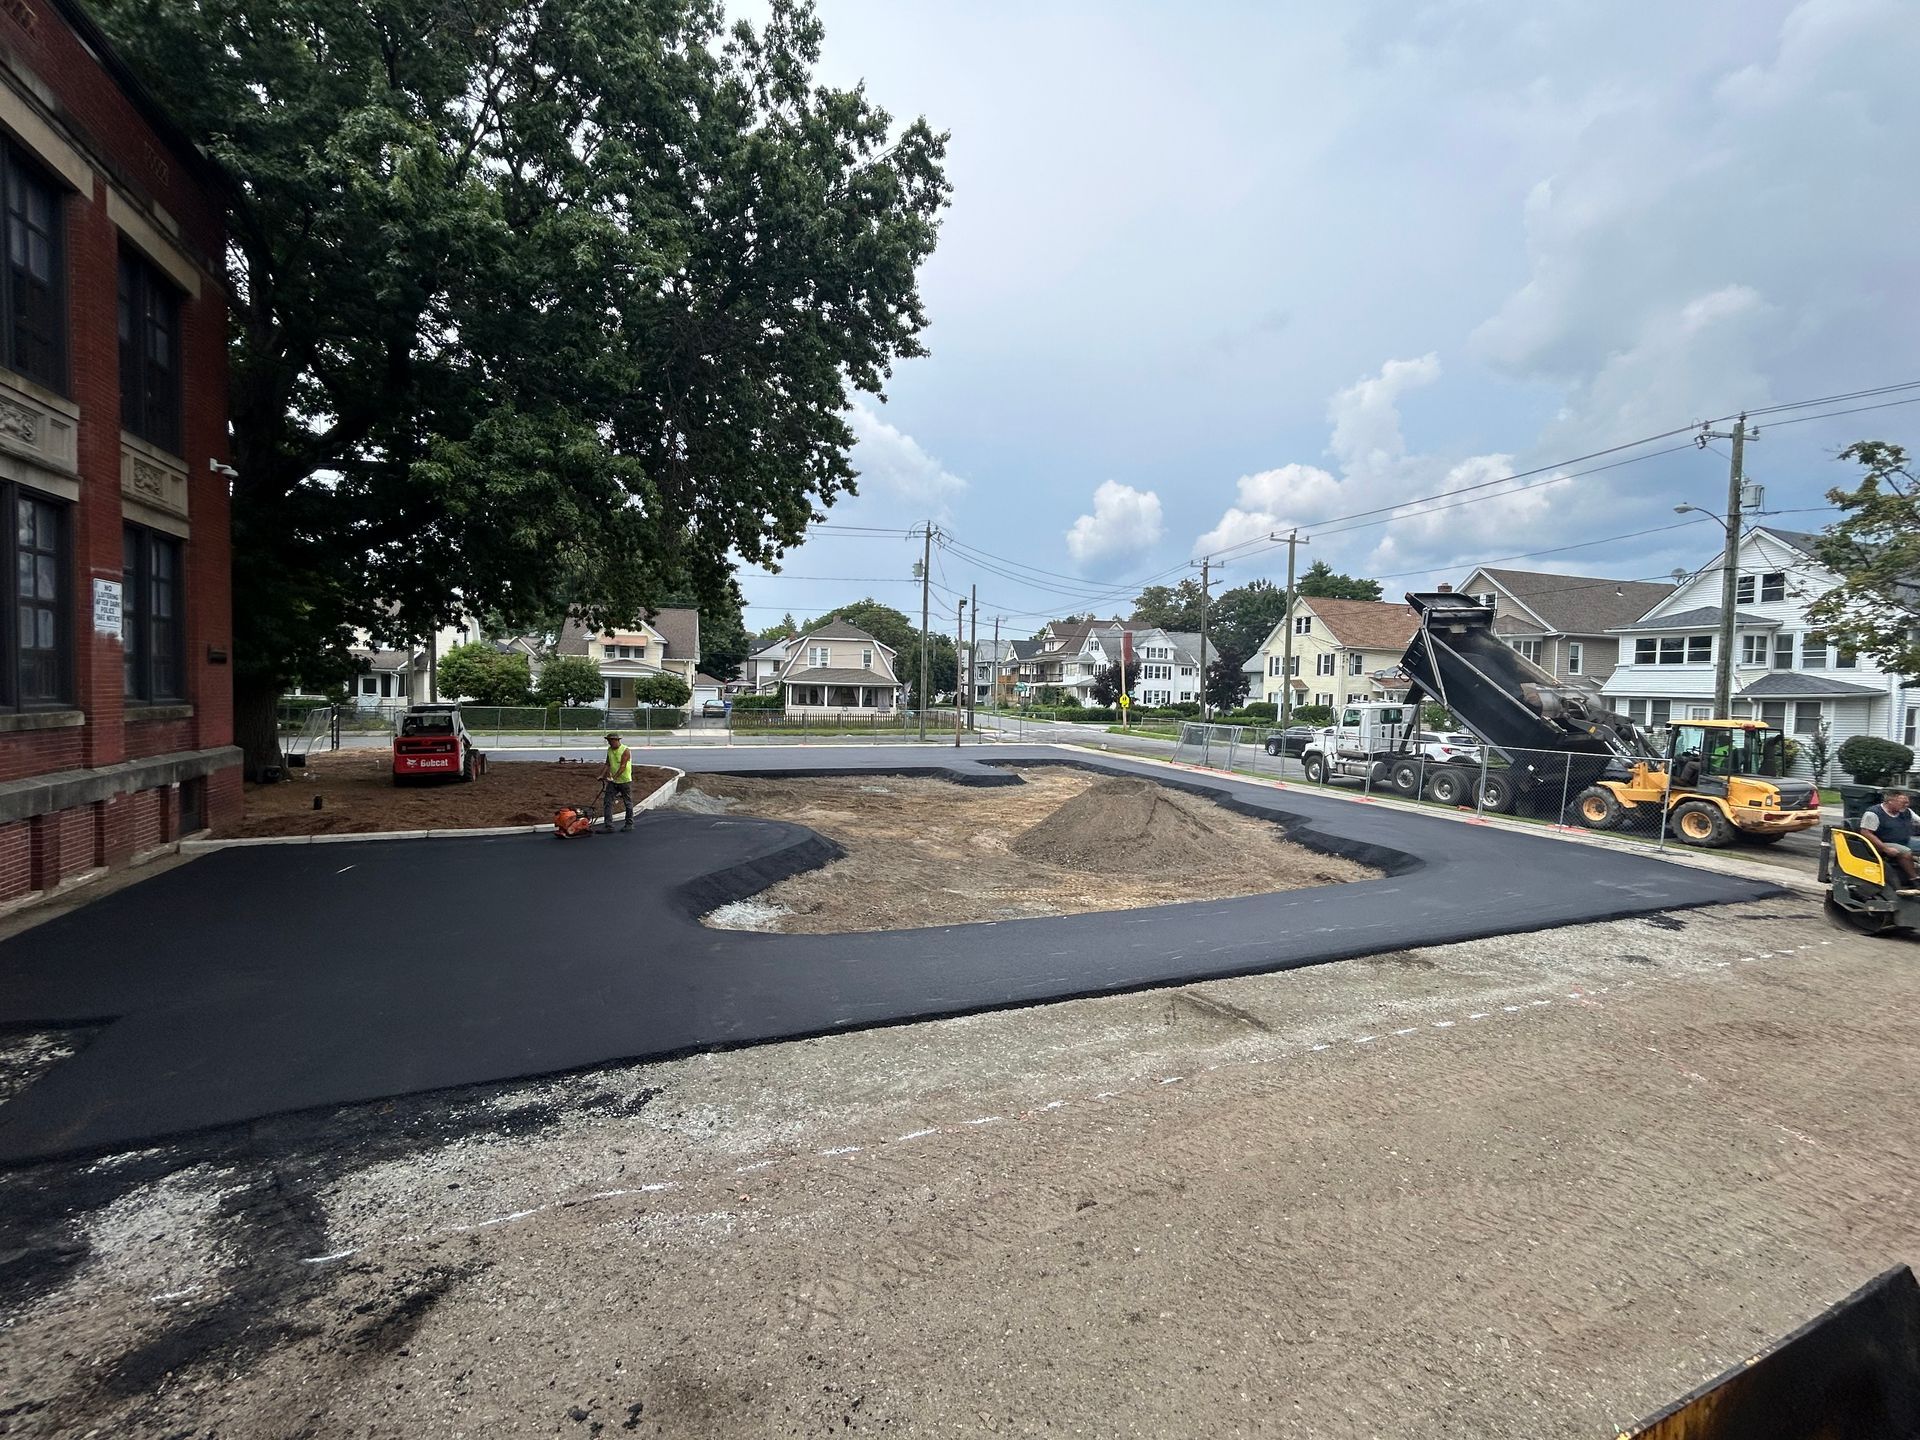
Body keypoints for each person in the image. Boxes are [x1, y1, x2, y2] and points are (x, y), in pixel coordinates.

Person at [1859, 787, 1919, 895]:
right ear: (1890, 801)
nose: (1906, 805)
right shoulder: (1873, 813)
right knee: (1905, 852)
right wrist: (1885, 848)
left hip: (1903, 840)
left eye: (1907, 802)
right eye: (1903, 802)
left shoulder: (1906, 812)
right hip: (1882, 842)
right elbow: (1866, 833)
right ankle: (1915, 880)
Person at [601, 731, 635, 832]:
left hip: (625, 781)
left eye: (610, 741)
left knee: (627, 802)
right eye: (608, 741)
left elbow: (623, 766)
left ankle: (629, 824)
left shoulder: (625, 750)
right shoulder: (609, 750)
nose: (609, 743)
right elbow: (607, 764)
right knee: (607, 801)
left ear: (616, 740)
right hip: (613, 782)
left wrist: (614, 777)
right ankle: (609, 826)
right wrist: (602, 775)